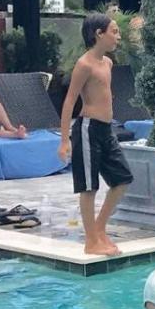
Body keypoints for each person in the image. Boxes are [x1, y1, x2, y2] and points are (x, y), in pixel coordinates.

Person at [58, 13, 133, 256]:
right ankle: (91, 241)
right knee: (89, 187)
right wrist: (64, 141)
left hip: (106, 129)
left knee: (122, 179)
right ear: (99, 34)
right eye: (114, 31)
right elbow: (69, 101)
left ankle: (99, 229)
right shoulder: (84, 65)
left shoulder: (107, 63)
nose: (118, 36)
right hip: (87, 128)